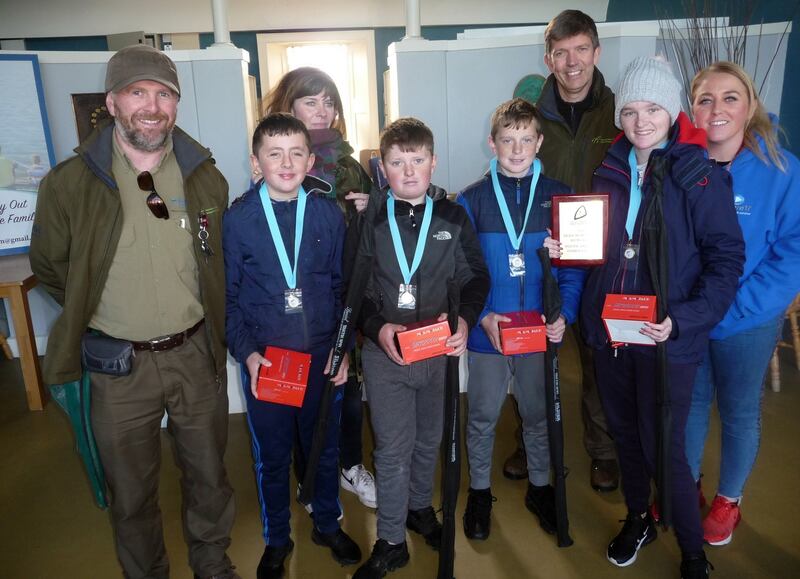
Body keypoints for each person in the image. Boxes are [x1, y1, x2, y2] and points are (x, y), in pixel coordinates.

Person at [29, 45, 238, 579]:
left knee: (210, 477)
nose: (152, 105)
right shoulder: (70, 184)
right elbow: (52, 268)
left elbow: (217, 261)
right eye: (138, 92)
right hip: (118, 368)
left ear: (176, 105)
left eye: (164, 93)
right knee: (130, 490)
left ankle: (212, 565)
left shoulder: (204, 178)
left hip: (195, 354)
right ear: (113, 102)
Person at [578, 56, 744, 578]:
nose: (640, 121)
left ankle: (693, 551)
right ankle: (637, 517)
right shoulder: (607, 167)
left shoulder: (697, 174)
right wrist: (568, 247)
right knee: (625, 434)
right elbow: (603, 246)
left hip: (667, 335)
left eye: (652, 108)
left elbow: (725, 260)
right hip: (611, 332)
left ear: (673, 110)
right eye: (628, 110)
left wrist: (686, 319)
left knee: (665, 443)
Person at [223, 112, 362, 579]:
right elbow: (230, 300)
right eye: (274, 153)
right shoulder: (238, 219)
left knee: (323, 449)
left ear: (310, 160)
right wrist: (248, 355)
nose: (286, 162)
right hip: (268, 362)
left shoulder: (328, 213)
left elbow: (344, 292)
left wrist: (344, 353)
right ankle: (277, 539)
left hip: (322, 358)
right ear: (256, 161)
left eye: (296, 152)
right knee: (273, 458)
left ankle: (326, 522)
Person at [352, 118, 489, 578]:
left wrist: (466, 321)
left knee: (429, 439)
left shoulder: (453, 217)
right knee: (393, 449)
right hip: (386, 355)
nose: (408, 172)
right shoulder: (369, 219)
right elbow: (355, 291)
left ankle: (417, 508)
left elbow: (476, 278)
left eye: (417, 161)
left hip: (437, 353)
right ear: (382, 168)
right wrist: (378, 328)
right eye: (396, 162)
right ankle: (391, 539)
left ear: (433, 162)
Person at [457, 98, 585, 541]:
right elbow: (463, 273)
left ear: (539, 142)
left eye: (525, 139)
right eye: (507, 140)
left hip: (537, 330)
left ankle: (540, 486)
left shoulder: (560, 196)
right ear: (492, 144)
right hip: (487, 332)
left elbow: (571, 268)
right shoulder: (470, 200)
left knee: (537, 414)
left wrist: (564, 314)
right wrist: (483, 317)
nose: (516, 149)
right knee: (482, 416)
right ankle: (478, 493)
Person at [503, 8, 620, 491]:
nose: (572, 62)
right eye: (561, 52)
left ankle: (605, 450)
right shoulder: (528, 115)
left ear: (595, 51)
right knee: (531, 356)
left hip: (605, 260)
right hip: (540, 256)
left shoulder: (619, 111)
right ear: (548, 58)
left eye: (581, 50)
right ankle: (530, 446)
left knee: (599, 360)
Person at [684, 61, 800, 546]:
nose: (717, 108)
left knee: (738, 411)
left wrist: (735, 307)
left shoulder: (780, 170)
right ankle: (684, 488)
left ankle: (729, 499)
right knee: (688, 405)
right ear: (691, 109)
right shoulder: (680, 164)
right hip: (688, 317)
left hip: (747, 320)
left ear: (749, 105)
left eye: (730, 97)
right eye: (705, 99)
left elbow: (791, 251)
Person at [263, 66, 376, 509]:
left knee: (346, 391)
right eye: (311, 101)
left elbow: (376, 234)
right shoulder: (277, 160)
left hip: (344, 300)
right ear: (288, 106)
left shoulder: (350, 166)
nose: (323, 110)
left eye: (329, 101)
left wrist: (373, 207)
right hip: (293, 305)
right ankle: (308, 475)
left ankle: (349, 465)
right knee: (298, 394)